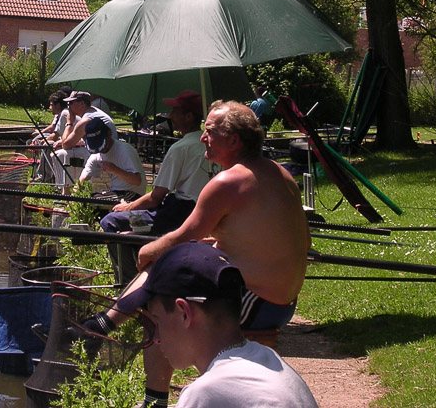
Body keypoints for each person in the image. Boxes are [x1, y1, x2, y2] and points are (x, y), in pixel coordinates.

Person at [81, 100, 311, 408]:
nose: (203, 138)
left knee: (161, 300)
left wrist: (148, 249)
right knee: (175, 262)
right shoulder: (280, 174)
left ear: (233, 140)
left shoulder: (229, 181)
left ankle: (151, 396)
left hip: (258, 301)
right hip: (283, 301)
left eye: (211, 132)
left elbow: (183, 235)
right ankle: (104, 324)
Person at [116, 242, 318, 408]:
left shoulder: (208, 394)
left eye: (157, 320)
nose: (156, 337)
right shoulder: (268, 360)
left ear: (184, 313)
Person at [100, 90, 220, 284]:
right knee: (132, 225)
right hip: (201, 212)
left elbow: (155, 197)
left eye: (175, 111)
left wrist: (127, 207)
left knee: (111, 222)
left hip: (178, 215)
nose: (170, 116)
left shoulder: (181, 148)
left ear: (188, 116)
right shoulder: (214, 145)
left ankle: (129, 282)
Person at [52, 91, 117, 192]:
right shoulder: (94, 112)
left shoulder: (86, 120)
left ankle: (66, 192)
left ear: (82, 104)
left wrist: (69, 123)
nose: (68, 106)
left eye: (71, 103)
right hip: (107, 150)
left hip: (104, 154)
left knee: (61, 154)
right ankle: (67, 189)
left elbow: (66, 145)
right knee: (63, 153)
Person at [79, 117, 147, 200]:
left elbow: (137, 181)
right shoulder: (96, 156)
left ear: (109, 134)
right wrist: (75, 198)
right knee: (87, 199)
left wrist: (114, 169)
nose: (101, 150)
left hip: (133, 194)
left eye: (101, 145)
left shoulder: (125, 150)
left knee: (97, 201)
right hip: (114, 193)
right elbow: (82, 180)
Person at [29, 91, 69, 181]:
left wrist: (40, 142)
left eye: (51, 105)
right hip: (65, 141)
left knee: (48, 144)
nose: (50, 108)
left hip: (69, 144)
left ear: (58, 105)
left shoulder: (64, 114)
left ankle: (44, 177)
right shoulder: (62, 113)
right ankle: (47, 175)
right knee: (47, 142)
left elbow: (55, 135)